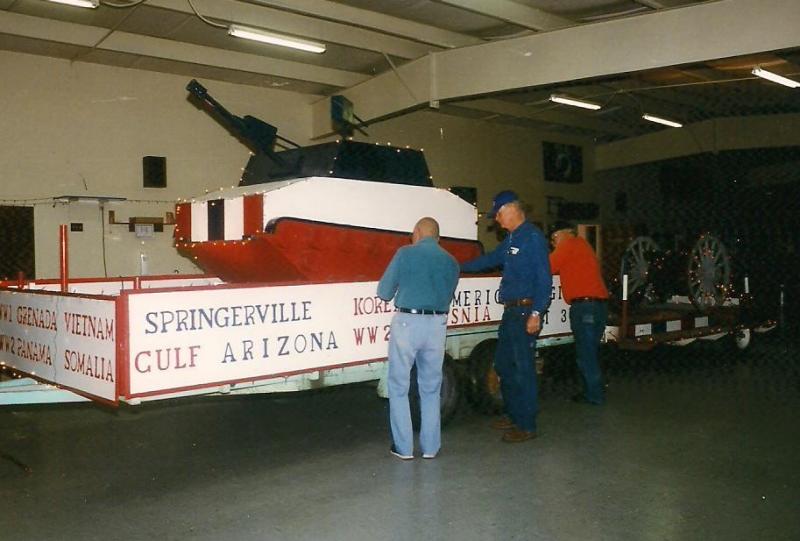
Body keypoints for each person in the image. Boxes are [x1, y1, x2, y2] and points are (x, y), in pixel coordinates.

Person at [461, 191, 552, 443]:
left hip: (525, 311)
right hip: (511, 312)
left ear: (512, 209)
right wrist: (456, 265)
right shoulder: (512, 238)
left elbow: (544, 280)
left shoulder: (532, 238)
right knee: (502, 365)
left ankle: (527, 424)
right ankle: (514, 414)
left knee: (523, 369)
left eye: (499, 214)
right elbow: (490, 260)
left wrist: (537, 312)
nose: (497, 221)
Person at [377, 217, 460, 460]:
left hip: (408, 323)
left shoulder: (405, 253)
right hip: (437, 325)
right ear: (438, 237)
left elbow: (383, 292)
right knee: (431, 387)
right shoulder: (452, 262)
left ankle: (403, 448)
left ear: (417, 232)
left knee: (399, 386)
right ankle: (431, 447)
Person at [549, 221, 609, 405]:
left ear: (563, 234)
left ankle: (594, 396)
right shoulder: (582, 245)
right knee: (590, 353)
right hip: (598, 307)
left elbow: (548, 267)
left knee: (585, 355)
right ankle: (593, 391)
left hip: (584, 308)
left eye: (553, 239)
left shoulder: (568, 244)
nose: (553, 244)